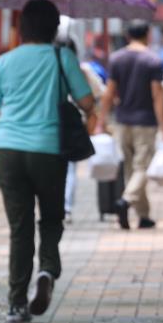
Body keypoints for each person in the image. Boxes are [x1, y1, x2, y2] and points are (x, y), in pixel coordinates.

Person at [0, 0, 96, 323]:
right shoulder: (61, 56)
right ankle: (47, 271)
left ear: (21, 27)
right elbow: (86, 102)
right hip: (48, 149)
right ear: (54, 28)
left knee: (19, 227)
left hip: (7, 149)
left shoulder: (4, 62)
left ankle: (16, 303)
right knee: (51, 218)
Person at [102, 20, 163, 230]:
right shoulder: (153, 60)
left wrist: (102, 121)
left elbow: (109, 93)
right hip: (146, 122)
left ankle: (143, 216)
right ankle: (126, 201)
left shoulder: (116, 59)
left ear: (127, 36)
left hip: (122, 121)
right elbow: (157, 95)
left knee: (131, 169)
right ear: (147, 35)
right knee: (143, 168)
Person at [59, 39, 106, 219]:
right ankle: (67, 207)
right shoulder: (83, 70)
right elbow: (97, 95)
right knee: (70, 168)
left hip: (53, 124)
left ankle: (62, 206)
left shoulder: (45, 67)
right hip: (74, 124)